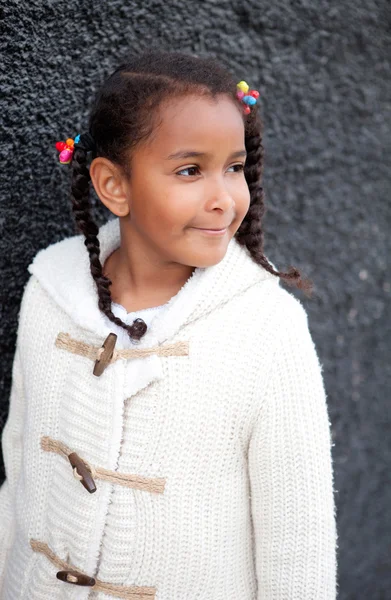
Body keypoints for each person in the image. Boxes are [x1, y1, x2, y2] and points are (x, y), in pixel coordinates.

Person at [0, 50, 338, 599]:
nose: (225, 199)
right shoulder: (49, 293)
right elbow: (20, 471)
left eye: (234, 167)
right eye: (189, 170)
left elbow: (298, 547)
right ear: (114, 186)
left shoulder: (268, 328)